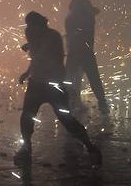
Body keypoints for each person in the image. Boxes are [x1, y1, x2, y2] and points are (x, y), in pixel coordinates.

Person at [14, 11, 101, 168]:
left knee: (66, 119)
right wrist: (27, 73)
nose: (29, 29)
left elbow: (48, 57)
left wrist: (31, 46)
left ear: (40, 24)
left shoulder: (53, 36)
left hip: (54, 85)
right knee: (27, 117)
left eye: (32, 26)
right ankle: (26, 148)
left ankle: (90, 147)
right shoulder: (33, 35)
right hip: (36, 84)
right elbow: (35, 59)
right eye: (29, 26)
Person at [65, 0, 109, 113]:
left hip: (77, 52)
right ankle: (102, 104)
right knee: (93, 79)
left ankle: (69, 104)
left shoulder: (73, 18)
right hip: (83, 52)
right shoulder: (86, 16)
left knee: (70, 79)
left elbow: (73, 34)